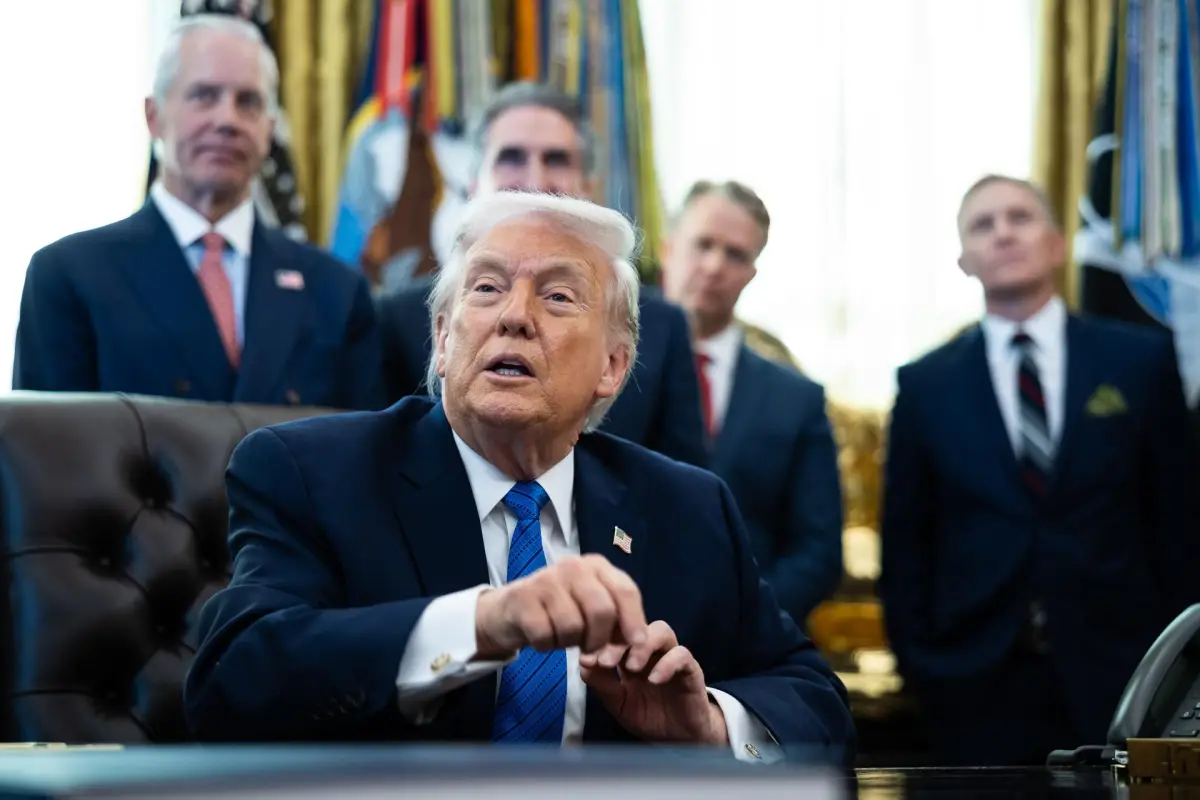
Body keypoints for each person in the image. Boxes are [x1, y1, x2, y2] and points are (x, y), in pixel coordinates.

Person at [183, 191, 855, 764]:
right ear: (444, 340)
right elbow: (233, 682)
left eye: (558, 296)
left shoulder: (688, 506)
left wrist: (707, 725)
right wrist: (481, 623)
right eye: (487, 288)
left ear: (612, 368)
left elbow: (813, 700)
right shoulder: (311, 472)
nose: (514, 315)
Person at [879, 174, 1200, 766]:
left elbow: (1177, 524)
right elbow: (905, 545)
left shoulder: (1140, 362)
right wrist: (927, 668)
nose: (1003, 232)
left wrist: (1173, 668)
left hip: (1121, 675)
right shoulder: (925, 385)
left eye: (1020, 217)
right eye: (983, 224)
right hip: (973, 682)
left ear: (1055, 243)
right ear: (964, 260)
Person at [13, 14, 383, 410]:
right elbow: (45, 458)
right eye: (203, 96)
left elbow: (362, 459)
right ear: (154, 116)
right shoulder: (70, 276)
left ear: (269, 127)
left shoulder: (335, 291)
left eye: (248, 101)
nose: (227, 120)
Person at [375, 82, 708, 468]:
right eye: (511, 157)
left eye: (556, 160)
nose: (534, 179)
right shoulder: (394, 317)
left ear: (587, 188)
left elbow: (680, 494)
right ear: (473, 183)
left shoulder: (662, 327)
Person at [658, 180, 844, 627]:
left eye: (736, 254)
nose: (714, 265)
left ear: (752, 272)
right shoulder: (600, 368)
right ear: (668, 248)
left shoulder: (795, 399)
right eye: (702, 244)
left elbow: (817, 551)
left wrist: (748, 620)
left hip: (749, 641)